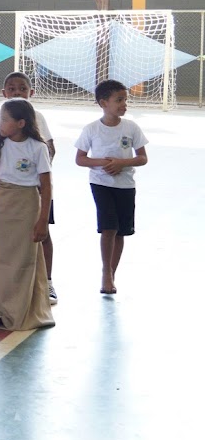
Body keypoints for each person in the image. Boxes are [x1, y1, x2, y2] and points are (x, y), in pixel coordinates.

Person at [0, 98, 55, 331]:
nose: (0, 124)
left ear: (21, 123)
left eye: (4, 120)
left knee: (23, 257)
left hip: (27, 203)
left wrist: (43, 220)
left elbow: (46, 185)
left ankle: (20, 310)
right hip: (1, 203)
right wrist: (0, 180)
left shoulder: (37, 147)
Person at [74, 79, 149, 295]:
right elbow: (80, 159)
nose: (124, 104)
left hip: (125, 186)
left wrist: (121, 163)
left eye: (125, 100)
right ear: (103, 103)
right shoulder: (92, 129)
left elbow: (142, 157)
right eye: (119, 100)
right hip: (101, 184)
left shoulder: (131, 128)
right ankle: (105, 272)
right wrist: (104, 163)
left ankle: (112, 272)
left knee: (120, 231)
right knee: (108, 228)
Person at [3, 71, 58, 304]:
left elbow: (50, 148)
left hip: (36, 188)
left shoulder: (38, 117)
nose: (17, 92)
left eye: (22, 88)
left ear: (31, 92)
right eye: (12, 88)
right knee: (13, 237)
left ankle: (47, 282)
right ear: (4, 93)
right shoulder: (4, 117)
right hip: (13, 192)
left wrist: (38, 175)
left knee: (42, 233)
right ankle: (15, 282)